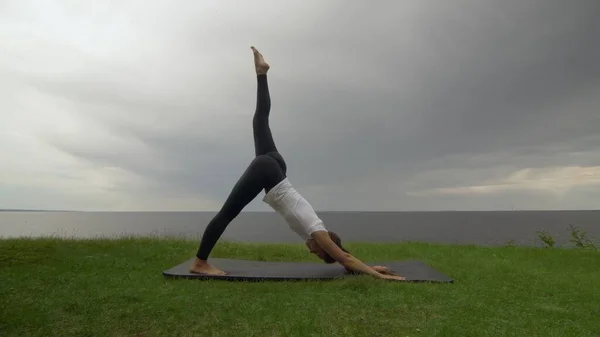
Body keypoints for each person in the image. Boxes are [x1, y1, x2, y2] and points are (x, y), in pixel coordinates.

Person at [190, 46, 405, 281]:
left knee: (260, 121)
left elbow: (343, 256)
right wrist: (379, 276)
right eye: (319, 254)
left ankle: (261, 74)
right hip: (268, 171)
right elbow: (345, 259)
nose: (312, 253)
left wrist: (370, 266)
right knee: (227, 213)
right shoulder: (318, 233)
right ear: (325, 245)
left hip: (276, 169)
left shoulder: (317, 231)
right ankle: (200, 262)